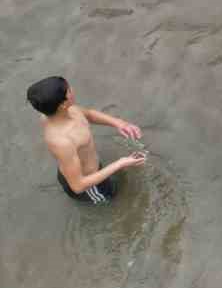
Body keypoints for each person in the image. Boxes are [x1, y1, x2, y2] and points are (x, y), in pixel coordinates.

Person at [26, 76, 144, 204]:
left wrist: (118, 123)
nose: (72, 89)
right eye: (69, 90)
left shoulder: (64, 110)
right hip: (89, 187)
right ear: (63, 105)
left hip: (85, 169)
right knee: (114, 200)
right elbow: (78, 186)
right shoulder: (62, 142)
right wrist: (119, 164)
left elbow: (89, 114)